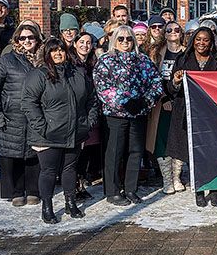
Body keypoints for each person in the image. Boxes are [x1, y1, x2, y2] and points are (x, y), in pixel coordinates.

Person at [23, 38, 99, 224]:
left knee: (69, 169)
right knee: (48, 171)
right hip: (48, 134)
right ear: (47, 54)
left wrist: (87, 123)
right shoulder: (39, 75)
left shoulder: (77, 74)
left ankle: (70, 202)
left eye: (61, 50)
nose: (58, 54)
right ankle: (47, 206)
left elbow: (92, 99)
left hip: (74, 131)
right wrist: (42, 127)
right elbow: (29, 102)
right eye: (53, 51)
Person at [93, 25, 164, 206]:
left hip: (138, 114)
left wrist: (144, 102)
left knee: (135, 152)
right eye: (121, 39)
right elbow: (103, 88)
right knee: (114, 153)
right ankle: (113, 191)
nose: (125, 42)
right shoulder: (106, 61)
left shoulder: (143, 60)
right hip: (115, 115)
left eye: (129, 38)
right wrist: (124, 102)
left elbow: (156, 83)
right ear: (114, 40)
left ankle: (131, 189)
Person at [0, 23, 43, 207]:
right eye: (22, 38)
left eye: (30, 37)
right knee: (13, 154)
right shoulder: (7, 60)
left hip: (37, 115)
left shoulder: (43, 60)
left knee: (35, 153)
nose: (27, 41)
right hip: (11, 114)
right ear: (16, 40)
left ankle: (34, 190)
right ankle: (17, 191)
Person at [167, 27, 217, 207]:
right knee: (194, 153)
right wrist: (175, 81)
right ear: (193, 40)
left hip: (212, 115)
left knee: (213, 153)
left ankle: (214, 189)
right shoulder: (182, 60)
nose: (201, 43)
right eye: (198, 39)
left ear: (211, 42)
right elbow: (171, 89)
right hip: (188, 114)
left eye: (205, 40)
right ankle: (199, 189)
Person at [147, 21, 185, 194]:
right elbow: (152, 78)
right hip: (161, 103)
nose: (172, 32)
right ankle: (167, 180)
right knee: (161, 140)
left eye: (176, 29)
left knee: (178, 138)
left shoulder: (186, 53)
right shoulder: (156, 53)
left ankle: (177, 177)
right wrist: (163, 99)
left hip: (181, 102)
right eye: (168, 30)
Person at [71, 30, 102, 198]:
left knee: (87, 150)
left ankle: (82, 183)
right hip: (76, 113)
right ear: (75, 44)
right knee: (77, 151)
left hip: (91, 112)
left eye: (88, 43)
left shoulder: (93, 63)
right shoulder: (71, 63)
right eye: (81, 42)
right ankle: (74, 186)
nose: (85, 45)